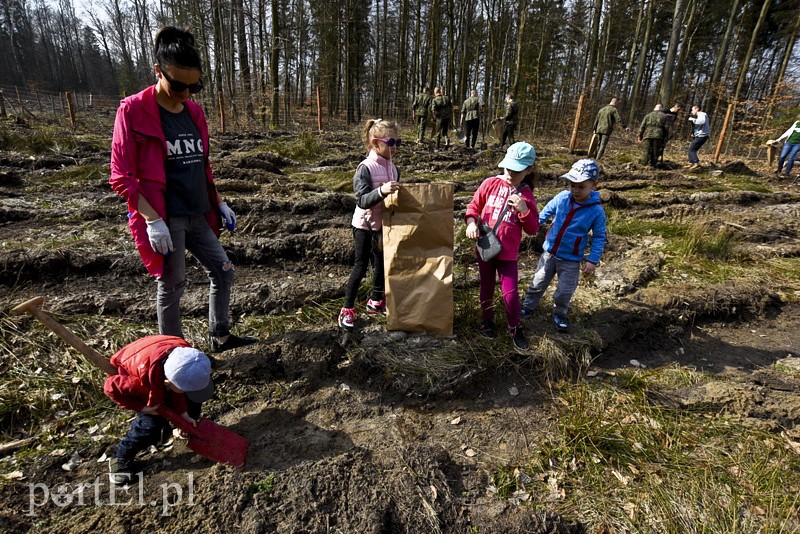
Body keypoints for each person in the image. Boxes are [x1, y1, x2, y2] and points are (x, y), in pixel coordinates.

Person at [109, 27, 256, 354]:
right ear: (158, 71)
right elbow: (120, 176)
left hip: (197, 211)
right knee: (173, 286)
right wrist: (151, 220)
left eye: (195, 86)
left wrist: (219, 201)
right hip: (167, 217)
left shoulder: (194, 112)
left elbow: (201, 164)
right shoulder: (133, 111)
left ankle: (221, 337)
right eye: (178, 85)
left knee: (224, 271)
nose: (187, 93)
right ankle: (172, 356)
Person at [104, 335, 214, 483]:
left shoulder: (189, 357)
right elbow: (110, 388)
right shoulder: (135, 383)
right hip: (135, 368)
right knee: (151, 425)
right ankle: (121, 456)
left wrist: (184, 416)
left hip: (157, 353)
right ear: (167, 382)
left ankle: (183, 427)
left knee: (191, 399)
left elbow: (177, 392)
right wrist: (143, 408)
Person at [465, 142, 540, 351]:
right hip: (486, 247)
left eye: (516, 171)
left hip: (507, 254)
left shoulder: (526, 196)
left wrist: (524, 210)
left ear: (528, 170)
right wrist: (471, 223)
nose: (510, 174)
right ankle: (487, 321)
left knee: (510, 293)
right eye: (508, 168)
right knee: (486, 287)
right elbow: (473, 206)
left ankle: (514, 327)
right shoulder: (490, 183)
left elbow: (533, 229)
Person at [521, 159, 607, 332]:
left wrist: (592, 260)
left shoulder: (596, 211)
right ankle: (527, 307)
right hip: (549, 252)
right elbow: (546, 211)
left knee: (565, 290)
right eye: (572, 185)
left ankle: (560, 313)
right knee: (537, 282)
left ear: (593, 185)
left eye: (581, 186)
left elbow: (599, 236)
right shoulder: (562, 198)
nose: (575, 190)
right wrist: (535, 224)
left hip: (571, 260)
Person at [338, 118, 401, 330]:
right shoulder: (365, 168)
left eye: (397, 143)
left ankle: (375, 301)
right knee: (361, 265)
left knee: (382, 263)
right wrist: (382, 191)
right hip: (364, 226)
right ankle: (347, 309)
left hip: (382, 224)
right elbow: (362, 200)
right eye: (391, 142)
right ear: (376, 143)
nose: (395, 147)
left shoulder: (393, 168)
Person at [638, 104, 667, 168]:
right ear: (661, 109)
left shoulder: (648, 115)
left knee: (646, 151)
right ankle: (652, 165)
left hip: (648, 134)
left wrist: (640, 136)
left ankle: (643, 164)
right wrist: (665, 138)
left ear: (654, 108)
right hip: (658, 135)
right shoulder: (664, 116)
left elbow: (642, 127)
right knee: (655, 151)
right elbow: (666, 129)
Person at [687, 104, 710, 169]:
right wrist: (694, 133)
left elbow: (702, 122)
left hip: (702, 135)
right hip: (699, 135)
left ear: (697, 109)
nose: (692, 111)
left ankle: (697, 163)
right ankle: (691, 163)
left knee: (691, 150)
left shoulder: (702, 114)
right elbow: (698, 126)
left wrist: (692, 120)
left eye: (692, 110)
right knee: (691, 149)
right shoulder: (698, 116)